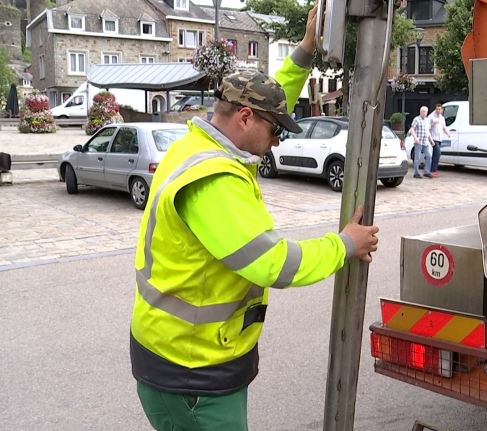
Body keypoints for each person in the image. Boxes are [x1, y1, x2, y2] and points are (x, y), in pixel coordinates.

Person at [129, 5, 379, 431]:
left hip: (188, 357)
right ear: (245, 118)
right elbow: (274, 263)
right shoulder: (213, 181)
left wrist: (305, 49)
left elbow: (269, 97)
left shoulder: (194, 144)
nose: (278, 140)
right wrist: (344, 245)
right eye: (276, 131)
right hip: (191, 372)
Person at [409, 106, 433, 178]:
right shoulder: (416, 119)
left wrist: (431, 140)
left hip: (425, 141)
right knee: (417, 157)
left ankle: (426, 171)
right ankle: (416, 173)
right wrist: (415, 138)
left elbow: (427, 131)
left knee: (429, 156)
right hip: (419, 141)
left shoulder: (427, 120)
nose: (424, 113)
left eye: (425, 111)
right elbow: (412, 129)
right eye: (423, 111)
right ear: (420, 112)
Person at [428, 103, 451, 178]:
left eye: (439, 109)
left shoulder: (442, 118)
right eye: (437, 109)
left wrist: (448, 134)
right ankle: (433, 170)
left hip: (440, 138)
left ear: (442, 110)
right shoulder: (431, 116)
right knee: (438, 153)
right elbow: (427, 126)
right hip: (433, 138)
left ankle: (431, 169)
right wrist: (433, 124)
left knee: (435, 154)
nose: (438, 111)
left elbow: (444, 127)